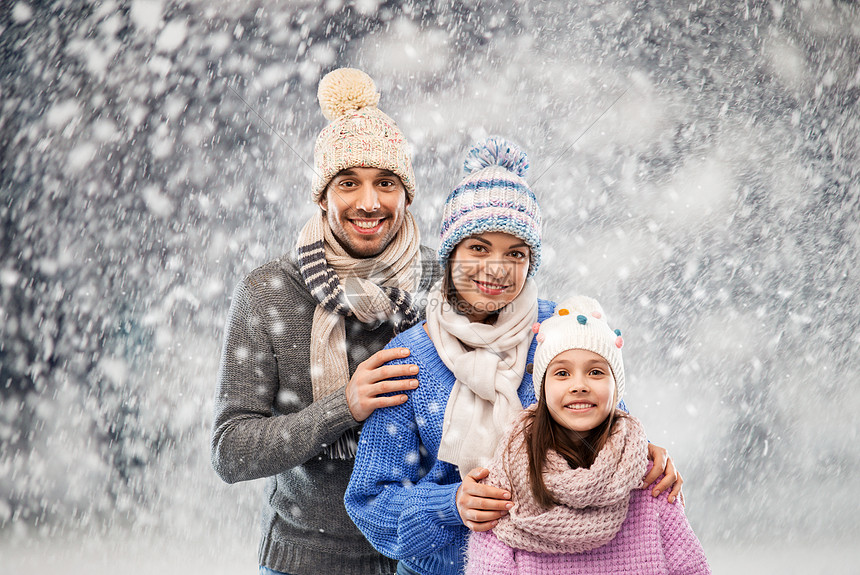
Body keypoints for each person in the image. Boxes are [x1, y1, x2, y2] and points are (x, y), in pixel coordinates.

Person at [344, 138, 681, 575]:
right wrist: (450, 505)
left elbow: (611, 433)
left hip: (557, 565)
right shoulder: (407, 361)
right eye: (479, 248)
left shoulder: (560, 332)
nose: (497, 269)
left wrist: (645, 457)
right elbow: (371, 501)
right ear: (450, 256)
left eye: (516, 253)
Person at [210, 68, 439, 575]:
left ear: (407, 194)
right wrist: (344, 407)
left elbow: (528, 385)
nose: (368, 202)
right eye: (347, 183)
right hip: (304, 560)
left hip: (427, 556)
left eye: (386, 183)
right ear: (322, 196)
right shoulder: (271, 291)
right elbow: (230, 450)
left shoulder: (441, 285)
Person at [464, 295, 710, 574]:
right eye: (562, 373)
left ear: (616, 390)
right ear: (542, 390)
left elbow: (692, 568)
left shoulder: (651, 479)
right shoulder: (506, 480)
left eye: (595, 371)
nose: (579, 385)